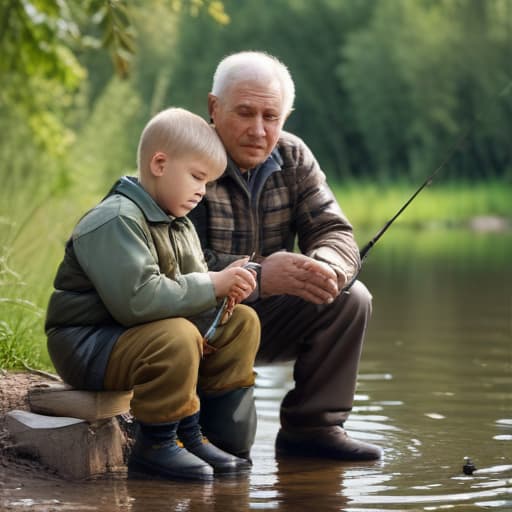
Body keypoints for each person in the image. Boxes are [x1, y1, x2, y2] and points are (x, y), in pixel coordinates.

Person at [45, 107, 261, 482]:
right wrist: (212, 284)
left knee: (243, 323)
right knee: (177, 337)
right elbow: (138, 301)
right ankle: (156, 446)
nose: (202, 191)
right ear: (160, 163)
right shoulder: (116, 220)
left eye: (208, 183)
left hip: (135, 338)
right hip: (88, 345)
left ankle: (207, 438)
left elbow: (185, 294)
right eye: (196, 177)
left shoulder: (179, 224)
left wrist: (221, 301)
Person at [188, 51, 383, 461]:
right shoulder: (185, 155)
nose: (259, 130)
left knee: (352, 298)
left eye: (271, 117)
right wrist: (258, 276)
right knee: (224, 453)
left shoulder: (293, 156)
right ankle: (177, 423)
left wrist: (329, 265)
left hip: (268, 318)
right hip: (193, 318)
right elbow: (173, 265)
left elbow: (334, 230)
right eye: (245, 112)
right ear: (213, 107)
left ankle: (314, 429)